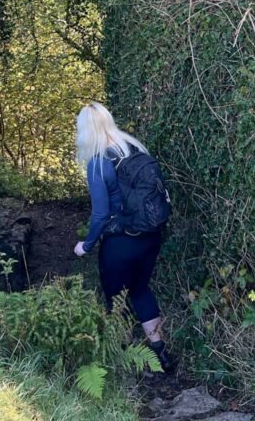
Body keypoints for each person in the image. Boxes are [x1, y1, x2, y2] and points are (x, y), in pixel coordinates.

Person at [72, 102, 175, 373]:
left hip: (120, 242)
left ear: (84, 131)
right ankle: (161, 356)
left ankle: (129, 362)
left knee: (115, 300)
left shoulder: (98, 162)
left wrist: (87, 245)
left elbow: (100, 215)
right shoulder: (132, 147)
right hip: (150, 236)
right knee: (141, 290)